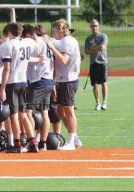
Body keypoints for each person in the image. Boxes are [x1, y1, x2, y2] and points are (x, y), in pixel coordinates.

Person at [0, 22, 40, 153]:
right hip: (23, 82)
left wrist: (2, 88)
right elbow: (35, 45)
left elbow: (7, 68)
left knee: (14, 115)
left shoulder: (7, 45)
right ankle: (33, 142)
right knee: (23, 115)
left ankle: (17, 144)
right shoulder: (26, 44)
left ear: (10, 32)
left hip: (12, 83)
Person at [43, 19, 82, 150]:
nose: (53, 34)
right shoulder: (61, 41)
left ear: (60, 30)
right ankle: (74, 136)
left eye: (54, 31)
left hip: (69, 80)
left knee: (68, 110)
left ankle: (71, 140)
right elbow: (50, 40)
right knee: (60, 110)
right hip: (62, 79)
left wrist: (52, 47)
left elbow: (64, 60)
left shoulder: (68, 41)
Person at [23, 24, 53, 151]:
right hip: (48, 79)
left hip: (39, 81)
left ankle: (32, 142)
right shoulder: (46, 42)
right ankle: (42, 143)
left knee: (27, 112)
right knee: (44, 112)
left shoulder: (37, 43)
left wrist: (24, 58)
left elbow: (39, 59)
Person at [84, 19, 109, 110]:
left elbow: (103, 47)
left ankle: (104, 102)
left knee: (103, 82)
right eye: (92, 26)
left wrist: (92, 49)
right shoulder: (88, 38)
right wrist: (96, 48)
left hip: (102, 62)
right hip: (93, 63)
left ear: (98, 26)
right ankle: (97, 103)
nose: (94, 27)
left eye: (95, 26)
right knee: (94, 84)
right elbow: (86, 51)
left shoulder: (103, 36)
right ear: (90, 27)